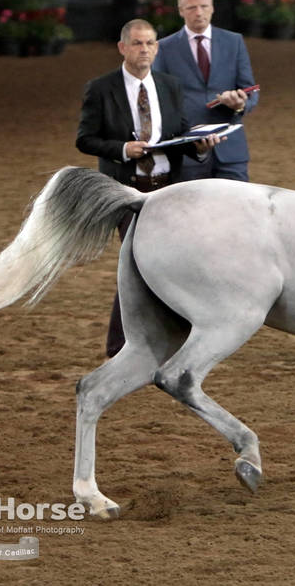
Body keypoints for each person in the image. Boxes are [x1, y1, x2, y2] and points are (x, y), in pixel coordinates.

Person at [76, 18, 222, 357]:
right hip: (126, 192)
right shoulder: (101, 88)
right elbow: (85, 139)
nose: (146, 50)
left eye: (151, 44)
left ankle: (162, 337)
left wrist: (199, 146)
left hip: (167, 190)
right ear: (123, 47)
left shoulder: (170, 85)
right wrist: (123, 150)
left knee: (166, 264)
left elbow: (179, 136)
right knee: (140, 266)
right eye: (139, 44)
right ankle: (120, 345)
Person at [151, 0, 258, 182]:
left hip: (230, 151)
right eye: (192, 7)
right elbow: (159, 99)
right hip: (187, 152)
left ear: (212, 8)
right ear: (181, 10)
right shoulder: (163, 48)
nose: (199, 12)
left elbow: (249, 88)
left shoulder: (234, 41)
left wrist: (241, 103)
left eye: (204, 6)